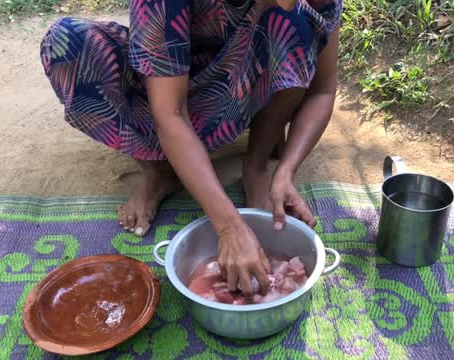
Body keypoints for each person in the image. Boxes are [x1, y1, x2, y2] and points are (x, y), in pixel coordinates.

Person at [40, 0, 342, 300]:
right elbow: (170, 113)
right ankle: (157, 169)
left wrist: (287, 168)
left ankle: (258, 166)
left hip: (238, 89)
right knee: (66, 44)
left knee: (293, 21)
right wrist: (229, 227)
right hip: (163, 87)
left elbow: (323, 90)